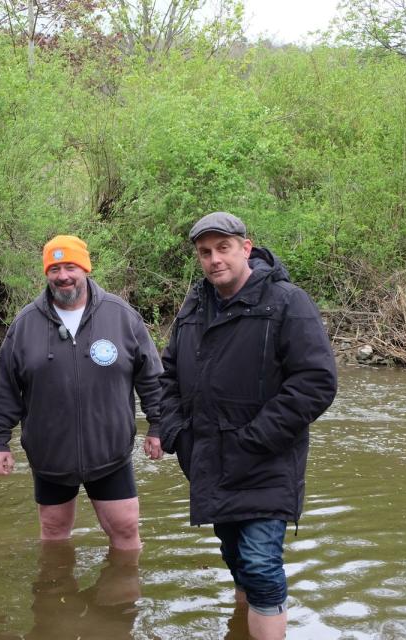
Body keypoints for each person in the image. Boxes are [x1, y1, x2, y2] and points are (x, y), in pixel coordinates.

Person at [157, 212, 337, 640]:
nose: (214, 259)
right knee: (236, 557)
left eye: (223, 248)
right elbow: (167, 376)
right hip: (209, 459)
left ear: (246, 248)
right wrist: (177, 435)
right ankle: (243, 628)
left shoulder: (288, 302)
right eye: (205, 252)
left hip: (266, 463)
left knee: (259, 564)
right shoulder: (193, 307)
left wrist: (255, 439)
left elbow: (315, 382)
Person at [0, 235, 163, 551]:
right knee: (53, 535)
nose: (63, 275)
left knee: (125, 532)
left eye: (70, 266)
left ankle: (121, 601)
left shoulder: (121, 316)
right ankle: (56, 598)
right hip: (50, 456)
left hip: (110, 453)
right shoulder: (25, 324)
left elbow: (151, 378)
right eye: (54, 269)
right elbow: (6, 389)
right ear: (46, 274)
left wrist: (159, 427)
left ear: (85, 268)